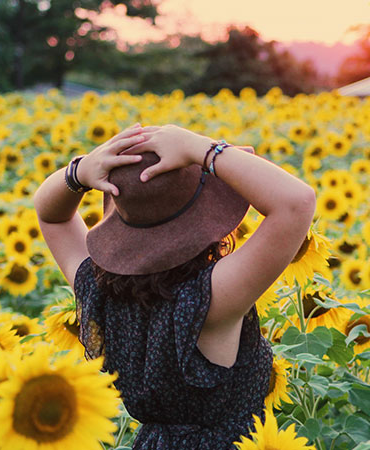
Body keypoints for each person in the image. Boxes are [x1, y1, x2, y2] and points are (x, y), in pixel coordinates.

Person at [32, 123, 316, 449]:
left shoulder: (98, 289)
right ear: (205, 216)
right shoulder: (209, 299)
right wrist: (203, 149)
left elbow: (51, 215)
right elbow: (296, 202)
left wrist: (80, 172)